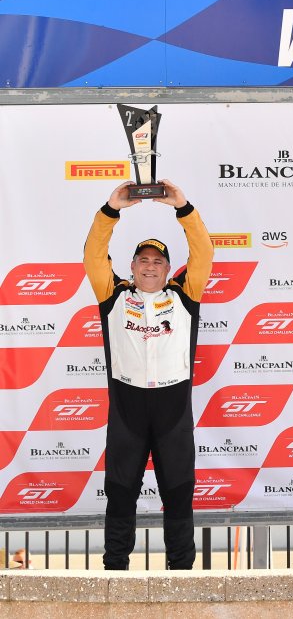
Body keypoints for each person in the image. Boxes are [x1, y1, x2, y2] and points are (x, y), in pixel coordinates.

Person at [83, 180, 213, 570]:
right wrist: (111, 210)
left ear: (169, 269)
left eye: (158, 261)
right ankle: (115, 572)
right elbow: (93, 256)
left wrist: (183, 207)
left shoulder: (185, 295)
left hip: (173, 409)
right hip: (128, 409)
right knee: (120, 492)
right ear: (132, 266)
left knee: (179, 492)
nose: (150, 266)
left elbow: (203, 252)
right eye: (143, 260)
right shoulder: (114, 296)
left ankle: (182, 573)